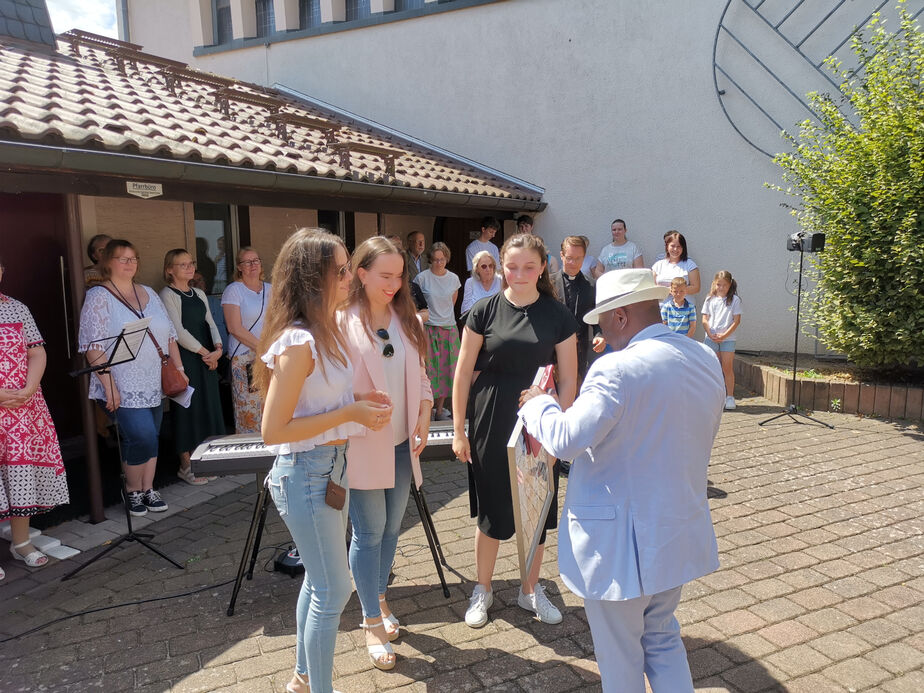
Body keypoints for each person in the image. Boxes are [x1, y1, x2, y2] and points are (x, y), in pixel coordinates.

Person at [517, 268, 725, 693]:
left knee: (620, 656)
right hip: (676, 529)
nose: (603, 335)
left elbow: (567, 440)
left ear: (622, 316)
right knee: (662, 637)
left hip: (620, 545)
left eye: (603, 323)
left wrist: (540, 405)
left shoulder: (616, 368)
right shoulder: (705, 358)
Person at [255, 228, 393, 693]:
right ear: (314, 278)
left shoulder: (325, 329)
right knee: (334, 589)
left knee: (320, 584)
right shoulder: (298, 341)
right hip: (306, 474)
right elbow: (274, 431)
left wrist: (357, 402)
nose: (350, 277)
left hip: (330, 469)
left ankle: (303, 677)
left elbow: (316, 403)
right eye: (341, 270)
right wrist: (351, 413)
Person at [452, 233, 579, 628]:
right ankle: (483, 589)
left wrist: (560, 436)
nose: (519, 273)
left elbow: (569, 380)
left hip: (539, 424)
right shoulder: (483, 310)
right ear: (500, 267)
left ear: (542, 268)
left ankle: (530, 589)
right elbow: (462, 373)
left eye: (528, 266)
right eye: (511, 266)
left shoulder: (558, 315)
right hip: (490, 419)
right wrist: (458, 430)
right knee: (492, 511)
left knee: (536, 510)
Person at [342, 237, 433, 672]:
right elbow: (329, 389)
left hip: (402, 444)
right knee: (369, 531)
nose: (395, 284)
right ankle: (371, 622)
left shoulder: (406, 319)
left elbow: (422, 377)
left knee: (393, 528)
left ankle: (378, 597)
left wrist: (425, 413)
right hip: (361, 445)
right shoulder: (341, 323)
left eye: (399, 276)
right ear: (361, 273)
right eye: (385, 275)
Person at [78, 240, 187, 516]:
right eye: (123, 258)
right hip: (122, 383)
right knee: (142, 436)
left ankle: (148, 488)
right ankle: (132, 490)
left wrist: (180, 368)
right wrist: (109, 386)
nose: (130, 264)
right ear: (108, 262)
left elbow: (169, 335)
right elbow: (93, 347)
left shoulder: (148, 292)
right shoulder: (98, 296)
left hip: (153, 380)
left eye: (133, 258)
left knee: (151, 437)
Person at [0, 258, 69, 575]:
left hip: (23, 407)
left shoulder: (17, 308)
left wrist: (29, 388)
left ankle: (21, 542)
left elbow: (37, 351)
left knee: (21, 473)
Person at [159, 249, 226, 485]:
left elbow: (211, 323)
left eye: (191, 263)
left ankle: (205, 460)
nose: (189, 267)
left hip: (207, 357)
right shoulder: (167, 294)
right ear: (170, 269)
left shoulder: (198, 293)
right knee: (187, 410)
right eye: (182, 264)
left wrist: (218, 349)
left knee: (207, 406)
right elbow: (176, 331)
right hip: (186, 359)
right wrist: (206, 353)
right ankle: (185, 465)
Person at [222, 247, 271, 433]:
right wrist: (263, 349)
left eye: (256, 260)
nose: (253, 265)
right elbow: (235, 328)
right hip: (245, 359)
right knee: (249, 410)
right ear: (239, 267)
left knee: (270, 407)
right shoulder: (234, 290)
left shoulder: (271, 289)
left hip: (269, 356)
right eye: (247, 262)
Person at [413, 242, 460, 421]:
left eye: (442, 259)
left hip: (449, 328)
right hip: (429, 328)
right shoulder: (422, 278)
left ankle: (440, 410)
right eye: (435, 260)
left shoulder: (454, 279)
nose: (439, 263)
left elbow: (451, 303)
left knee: (448, 371)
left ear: (447, 259)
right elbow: (418, 303)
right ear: (430, 260)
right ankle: (428, 410)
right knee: (429, 371)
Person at [551, 236, 606, 379]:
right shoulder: (549, 284)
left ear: (584, 257)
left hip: (579, 351)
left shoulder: (591, 285)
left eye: (578, 258)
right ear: (561, 255)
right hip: (551, 351)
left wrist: (599, 335)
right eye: (569, 258)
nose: (573, 263)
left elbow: (596, 315)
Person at [701, 270, 742, 410]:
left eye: (724, 285)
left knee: (727, 367)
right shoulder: (709, 299)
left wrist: (724, 335)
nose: (721, 288)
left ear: (730, 285)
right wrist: (709, 333)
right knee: (712, 368)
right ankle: (712, 395)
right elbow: (704, 319)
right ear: (714, 283)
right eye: (719, 284)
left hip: (728, 339)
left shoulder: (735, 300)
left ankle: (729, 396)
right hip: (711, 338)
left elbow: (736, 321)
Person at [651, 231, 701, 295]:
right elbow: (651, 288)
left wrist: (673, 291)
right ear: (667, 247)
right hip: (662, 301)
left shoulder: (690, 264)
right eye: (672, 246)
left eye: (678, 246)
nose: (675, 249)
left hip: (684, 301)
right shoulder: (658, 265)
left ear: (683, 248)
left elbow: (696, 288)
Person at [460, 250, 501, 314]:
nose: (488, 269)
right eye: (484, 266)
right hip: (476, 319)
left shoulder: (501, 280)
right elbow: (466, 309)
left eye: (490, 265)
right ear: (477, 269)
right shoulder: (470, 282)